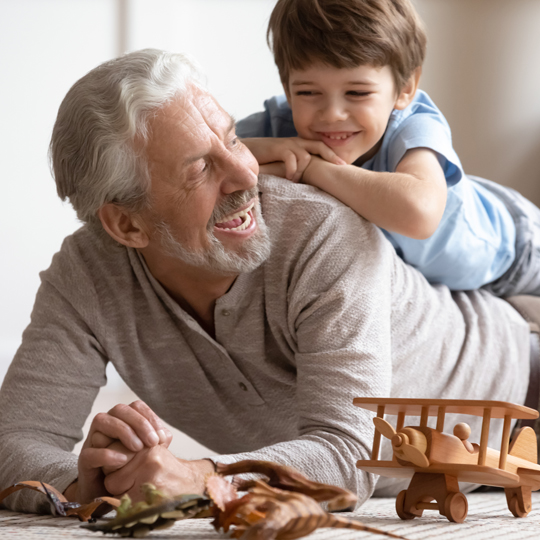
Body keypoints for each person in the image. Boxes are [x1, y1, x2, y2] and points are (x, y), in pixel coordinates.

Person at [0, 48, 537, 515]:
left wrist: (201, 476)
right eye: (199, 170)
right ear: (126, 224)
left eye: (235, 141)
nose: (246, 175)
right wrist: (83, 481)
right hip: (429, 469)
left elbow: (349, 453)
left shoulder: (324, 234)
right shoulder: (86, 274)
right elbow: (14, 441)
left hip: (520, 391)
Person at [237, 0, 540, 297]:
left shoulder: (413, 123)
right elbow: (200, 160)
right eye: (307, 92)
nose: (332, 114)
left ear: (405, 88)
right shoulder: (278, 125)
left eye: (357, 92)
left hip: (514, 252)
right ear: (287, 88)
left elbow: (418, 212)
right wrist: (268, 149)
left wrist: (312, 168)